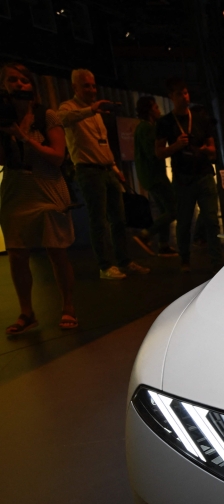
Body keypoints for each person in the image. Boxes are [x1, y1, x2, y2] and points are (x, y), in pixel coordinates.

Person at [0, 63, 78, 334]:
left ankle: (68, 306)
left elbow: (57, 157)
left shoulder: (46, 115)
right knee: (16, 253)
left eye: (24, 80)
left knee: (56, 251)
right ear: (4, 86)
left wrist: (24, 138)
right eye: (12, 80)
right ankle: (27, 313)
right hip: (16, 188)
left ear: (32, 85)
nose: (19, 84)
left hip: (47, 186)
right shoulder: (3, 118)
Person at [58, 68, 149, 279]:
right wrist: (91, 109)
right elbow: (62, 119)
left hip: (107, 170)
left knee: (119, 219)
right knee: (98, 220)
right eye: (86, 86)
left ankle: (124, 261)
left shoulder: (97, 113)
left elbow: (103, 144)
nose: (92, 90)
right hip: (88, 171)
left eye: (93, 85)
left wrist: (115, 168)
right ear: (74, 87)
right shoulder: (69, 107)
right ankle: (105, 266)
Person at [155, 78, 222, 272]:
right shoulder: (165, 122)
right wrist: (177, 145)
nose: (184, 97)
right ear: (171, 97)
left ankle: (216, 261)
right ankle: (184, 259)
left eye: (185, 93)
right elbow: (159, 152)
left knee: (211, 220)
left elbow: (213, 150)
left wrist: (204, 150)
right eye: (179, 94)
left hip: (204, 175)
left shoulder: (200, 117)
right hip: (183, 178)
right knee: (184, 222)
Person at [132, 96, 177, 257]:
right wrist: (174, 147)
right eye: (156, 107)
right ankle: (146, 234)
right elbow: (154, 154)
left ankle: (164, 245)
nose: (159, 110)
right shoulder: (147, 128)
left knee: (164, 210)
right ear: (149, 110)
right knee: (173, 209)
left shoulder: (142, 127)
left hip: (150, 176)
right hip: (155, 176)